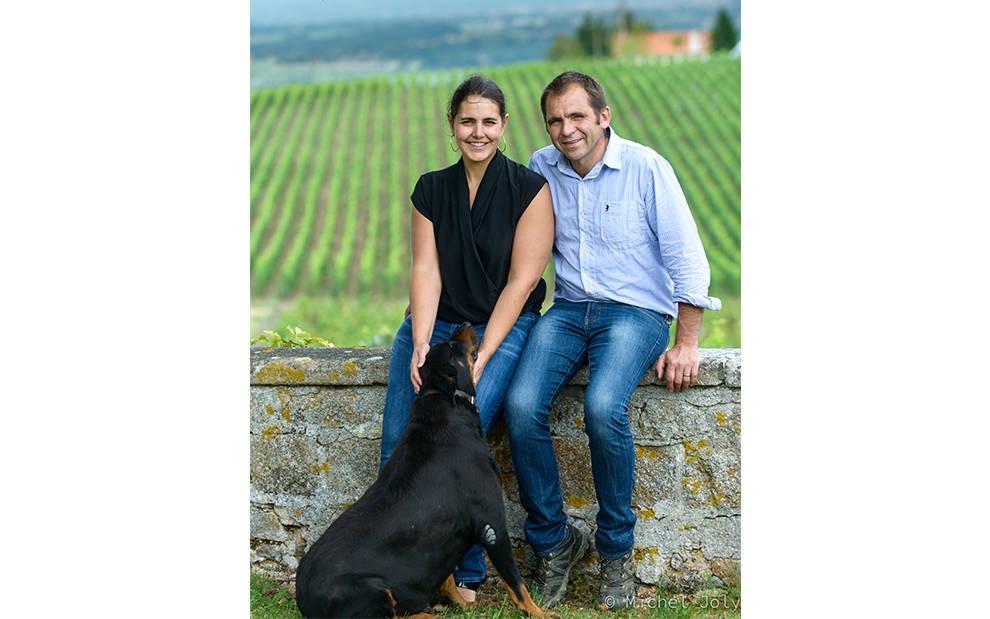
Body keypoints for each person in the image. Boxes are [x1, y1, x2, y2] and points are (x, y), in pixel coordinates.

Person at [503, 71, 722, 611]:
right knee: (520, 403)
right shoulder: (540, 167)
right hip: (571, 309)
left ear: (603, 116)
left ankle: (615, 552)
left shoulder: (646, 167)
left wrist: (687, 342)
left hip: (637, 313)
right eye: (555, 119)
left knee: (603, 406)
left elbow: (687, 258)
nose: (566, 128)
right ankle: (555, 541)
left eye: (577, 116)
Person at [378, 75, 554, 602]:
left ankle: (466, 571)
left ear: (504, 125)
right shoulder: (430, 188)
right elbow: (426, 271)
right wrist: (422, 344)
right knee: (396, 444)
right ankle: (399, 568)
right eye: (467, 121)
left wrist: (479, 358)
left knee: (462, 438)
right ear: (452, 126)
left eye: (488, 121)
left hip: (501, 326)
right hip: (438, 325)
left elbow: (522, 282)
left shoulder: (530, 190)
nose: (478, 132)